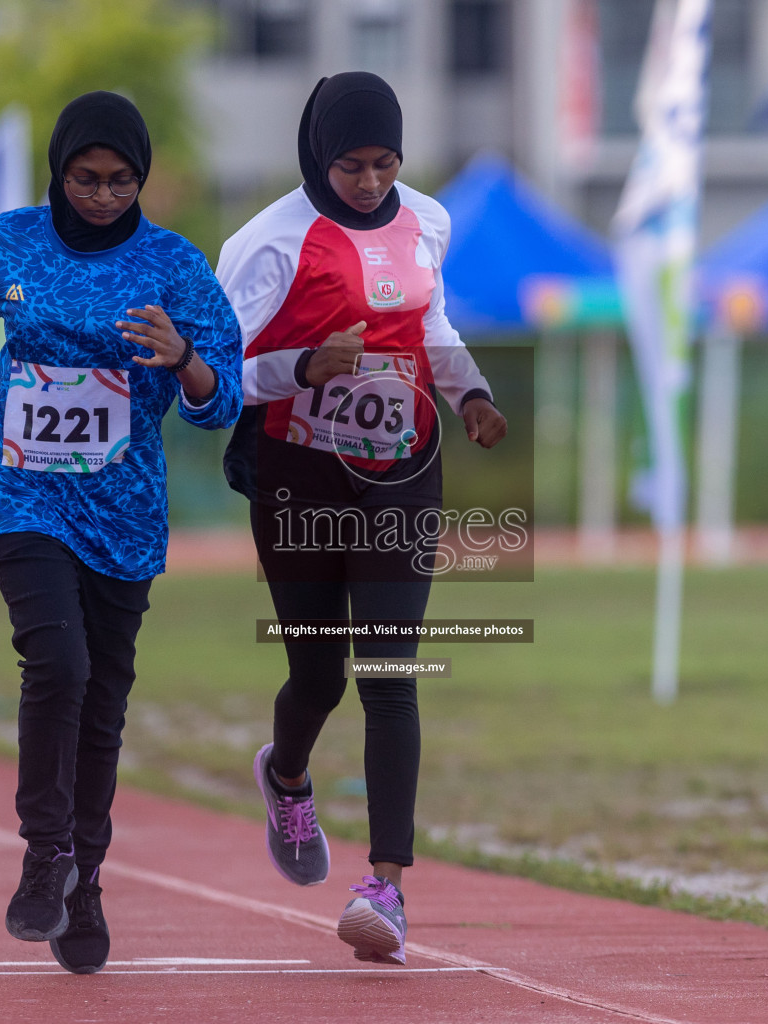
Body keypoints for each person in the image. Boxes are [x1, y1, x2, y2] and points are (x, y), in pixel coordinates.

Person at [0, 91, 242, 975]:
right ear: (58, 173)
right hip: (23, 492)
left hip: (124, 508)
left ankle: (87, 878)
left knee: (102, 698)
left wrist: (182, 357)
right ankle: (44, 855)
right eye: (86, 178)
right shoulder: (10, 242)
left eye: (121, 181)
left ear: (142, 180)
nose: (103, 195)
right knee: (56, 664)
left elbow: (223, 399)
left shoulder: (174, 267)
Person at [216, 72, 506, 966]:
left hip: (402, 471)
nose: (372, 182)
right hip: (299, 474)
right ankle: (289, 774)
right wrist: (305, 366)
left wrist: (473, 395)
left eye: (386, 163)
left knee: (388, 670)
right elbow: (215, 377)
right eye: (352, 166)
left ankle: (386, 887)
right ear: (318, 154)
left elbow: (435, 324)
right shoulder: (266, 244)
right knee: (318, 677)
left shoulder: (429, 220)